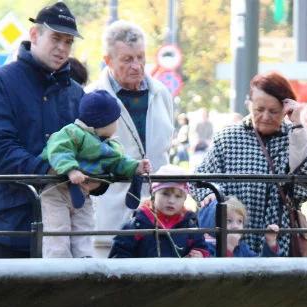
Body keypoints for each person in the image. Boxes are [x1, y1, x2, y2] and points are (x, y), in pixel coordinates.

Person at [0, 1, 85, 259]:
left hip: (65, 231)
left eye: (68, 42)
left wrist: (95, 175)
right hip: (12, 226)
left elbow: (91, 147)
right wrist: (48, 170)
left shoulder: (76, 94)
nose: (62, 48)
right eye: (56, 38)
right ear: (34, 35)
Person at [192, 72, 307, 256]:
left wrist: (297, 123)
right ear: (249, 104)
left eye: (273, 111)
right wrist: (210, 194)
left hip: (279, 236)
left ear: (285, 109)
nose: (265, 116)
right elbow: (199, 180)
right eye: (259, 109)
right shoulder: (228, 138)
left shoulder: (294, 136)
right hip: (234, 240)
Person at [87, 20, 175, 252]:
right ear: (108, 60)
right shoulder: (92, 97)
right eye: (127, 59)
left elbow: (166, 146)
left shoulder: (161, 93)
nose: (137, 66)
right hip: (109, 216)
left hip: (158, 216)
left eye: (141, 57)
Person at [40, 90, 151, 258]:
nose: (117, 125)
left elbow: (117, 163)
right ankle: (57, 267)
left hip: (82, 193)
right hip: (57, 191)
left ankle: (83, 261)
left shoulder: (109, 146)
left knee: (84, 227)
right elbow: (58, 150)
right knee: (58, 231)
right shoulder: (72, 132)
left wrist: (135, 167)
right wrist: (71, 169)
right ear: (104, 122)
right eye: (115, 120)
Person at [109, 165, 211, 258]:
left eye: (178, 196)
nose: (171, 201)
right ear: (153, 194)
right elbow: (119, 253)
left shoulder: (189, 224)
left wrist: (199, 253)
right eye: (165, 194)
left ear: (184, 199)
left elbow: (201, 246)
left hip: (178, 276)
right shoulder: (137, 224)